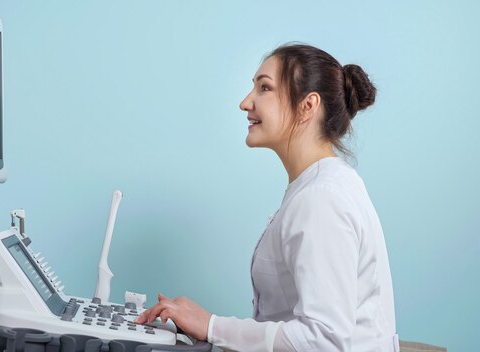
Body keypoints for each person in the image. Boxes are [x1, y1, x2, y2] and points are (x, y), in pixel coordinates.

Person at [135, 43, 398, 352]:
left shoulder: (321, 199)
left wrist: (211, 326)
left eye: (264, 88)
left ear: (308, 106)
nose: (245, 103)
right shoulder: (323, 186)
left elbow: (323, 341)